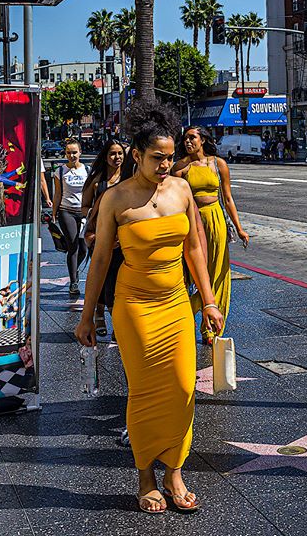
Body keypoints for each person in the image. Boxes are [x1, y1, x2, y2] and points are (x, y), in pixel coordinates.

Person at [75, 101, 224, 514]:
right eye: (158, 157)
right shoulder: (115, 199)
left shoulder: (180, 189)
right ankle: (145, 475)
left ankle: (175, 470)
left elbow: (195, 244)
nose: (166, 164)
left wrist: (208, 301)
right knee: (143, 392)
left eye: (171, 156)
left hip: (176, 302)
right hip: (135, 305)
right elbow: (101, 259)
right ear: (137, 154)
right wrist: (88, 315)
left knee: (182, 387)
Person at [172, 126, 249, 345]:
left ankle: (211, 329)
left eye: (192, 138)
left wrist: (239, 227)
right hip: (192, 221)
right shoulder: (180, 167)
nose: (188, 142)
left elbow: (228, 198)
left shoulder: (218, 164)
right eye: (185, 138)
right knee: (195, 273)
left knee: (218, 273)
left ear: (203, 140)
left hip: (215, 220)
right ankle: (186, 317)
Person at [81, 138, 125, 337]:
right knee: (102, 276)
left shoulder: (130, 178)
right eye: (112, 154)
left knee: (117, 280)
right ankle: (99, 313)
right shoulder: (97, 180)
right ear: (105, 157)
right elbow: (84, 207)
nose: (117, 157)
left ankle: (117, 320)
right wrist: (92, 232)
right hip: (99, 237)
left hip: (123, 238)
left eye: (120, 153)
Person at [52, 138, 88, 296]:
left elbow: (90, 192)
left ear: (80, 152)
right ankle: (74, 282)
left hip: (84, 212)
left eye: (74, 152)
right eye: (68, 152)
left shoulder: (87, 170)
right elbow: (58, 193)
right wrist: (53, 212)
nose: (72, 155)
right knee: (73, 246)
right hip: (66, 211)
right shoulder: (60, 171)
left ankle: (75, 270)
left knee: (84, 249)